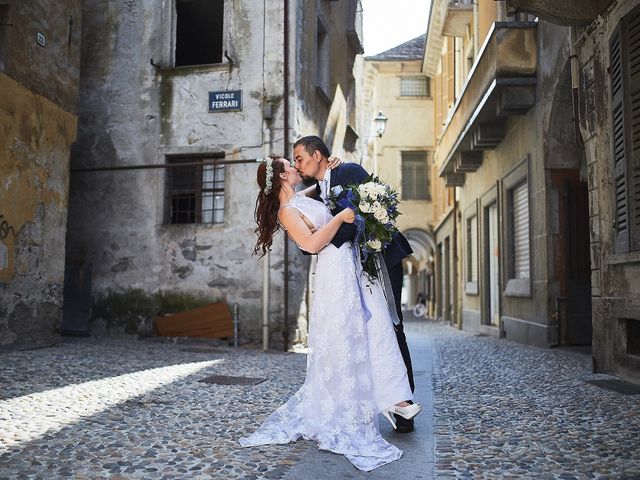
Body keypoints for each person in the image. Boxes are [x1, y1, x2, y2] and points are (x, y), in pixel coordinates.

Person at [239, 154, 421, 472]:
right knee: (345, 337)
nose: (296, 168)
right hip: (334, 272)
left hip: (350, 262)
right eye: (290, 166)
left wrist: (334, 168)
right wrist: (340, 219)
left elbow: (330, 194)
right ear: (282, 177)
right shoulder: (287, 211)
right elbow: (310, 244)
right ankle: (359, 404)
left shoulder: (305, 195)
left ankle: (396, 399)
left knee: (376, 326)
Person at [292, 135, 417, 433]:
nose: (298, 163)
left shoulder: (350, 173)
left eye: (300, 157)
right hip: (350, 269)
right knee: (364, 330)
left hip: (381, 258)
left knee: (391, 324)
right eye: (294, 160)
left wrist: (324, 242)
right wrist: (316, 241)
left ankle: (404, 407)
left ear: (318, 155)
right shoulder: (316, 191)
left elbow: (371, 211)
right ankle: (372, 399)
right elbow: (308, 237)